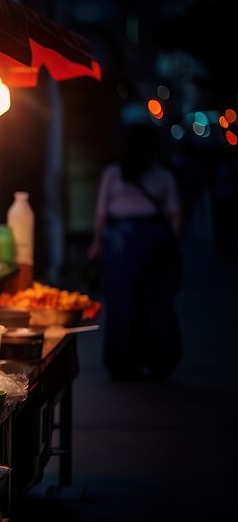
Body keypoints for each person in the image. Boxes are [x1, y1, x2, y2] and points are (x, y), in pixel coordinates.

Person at [88, 124, 183, 380]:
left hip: (122, 245)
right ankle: (153, 360)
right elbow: (175, 216)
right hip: (146, 244)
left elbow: (101, 213)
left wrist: (97, 243)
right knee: (152, 304)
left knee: (124, 305)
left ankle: (125, 363)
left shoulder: (115, 173)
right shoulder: (160, 175)